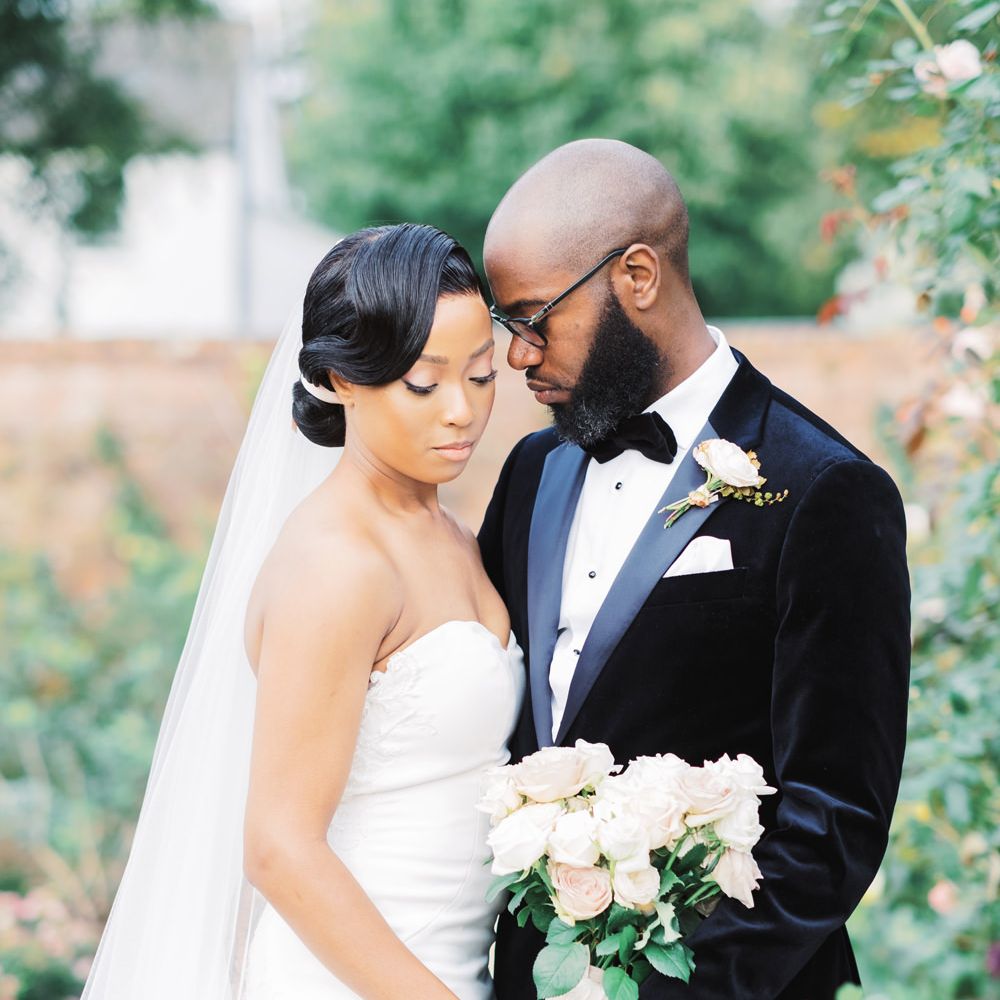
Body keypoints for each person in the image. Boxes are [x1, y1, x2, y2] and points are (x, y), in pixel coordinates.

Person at [478, 139, 911, 1000]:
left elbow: (833, 822)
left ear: (637, 276)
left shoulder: (826, 489)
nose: (518, 355)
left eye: (533, 318)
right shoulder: (531, 472)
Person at [82, 223, 523, 999]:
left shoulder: (449, 533)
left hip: (456, 966)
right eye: (425, 383)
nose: (461, 411)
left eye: (482, 376)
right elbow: (279, 847)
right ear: (338, 378)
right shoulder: (337, 565)